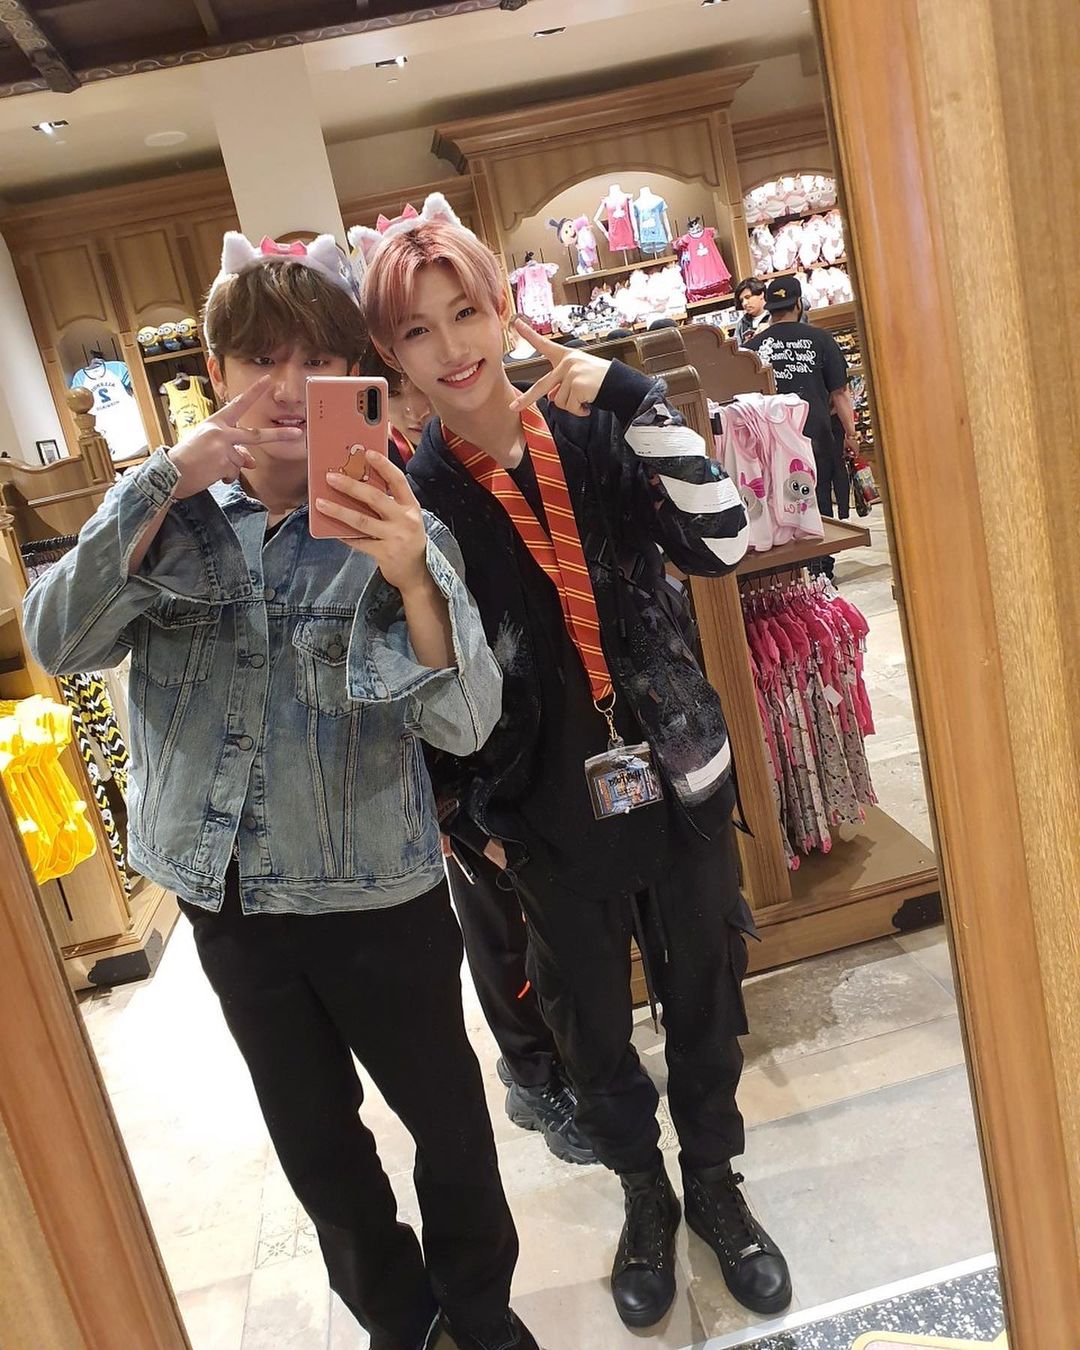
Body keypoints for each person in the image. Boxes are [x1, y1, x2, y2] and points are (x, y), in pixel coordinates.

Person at [23, 233, 539, 1350]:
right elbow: (56, 642)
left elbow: (465, 722)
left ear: (355, 371)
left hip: (378, 896)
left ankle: (482, 1317)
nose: (292, 388)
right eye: (262, 359)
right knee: (316, 1148)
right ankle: (402, 1325)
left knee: (449, 1126)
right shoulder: (168, 522)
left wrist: (413, 574)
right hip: (233, 903)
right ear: (215, 373)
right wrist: (163, 479)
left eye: (319, 360)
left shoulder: (396, 521)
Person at [360, 194, 792, 1330]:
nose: (453, 347)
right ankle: (645, 1194)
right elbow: (419, 681)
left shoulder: (599, 428)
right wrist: (476, 826)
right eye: (418, 330)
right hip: (544, 811)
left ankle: (715, 1184)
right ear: (391, 354)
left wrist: (641, 396)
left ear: (504, 309)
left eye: (467, 311)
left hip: (676, 771)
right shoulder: (416, 498)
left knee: (704, 995)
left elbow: (725, 540)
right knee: (590, 1025)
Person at [360, 342, 597, 1167]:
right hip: (456, 753)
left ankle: (566, 1059)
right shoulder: (388, 480)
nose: (415, 400)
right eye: (396, 387)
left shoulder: (488, 442)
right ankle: (533, 1075)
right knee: (496, 918)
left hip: (529, 729)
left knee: (546, 918)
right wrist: (454, 805)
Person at [745, 274, 859, 576]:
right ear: (798, 304)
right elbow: (840, 393)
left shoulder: (752, 349)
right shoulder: (821, 340)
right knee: (818, 501)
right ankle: (822, 569)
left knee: (780, 503)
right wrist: (851, 434)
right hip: (815, 435)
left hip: (770, 444)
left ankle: (794, 571)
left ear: (769, 307)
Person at [733, 276, 769, 345]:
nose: (744, 303)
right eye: (742, 300)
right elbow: (736, 349)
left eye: (748, 297)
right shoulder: (741, 324)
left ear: (761, 294)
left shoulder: (775, 316)